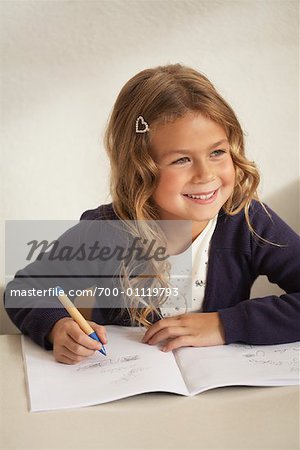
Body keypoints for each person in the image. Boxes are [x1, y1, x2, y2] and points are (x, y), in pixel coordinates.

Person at [4, 63, 300, 365]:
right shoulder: (104, 231)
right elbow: (23, 290)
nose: (205, 174)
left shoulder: (249, 221)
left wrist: (226, 324)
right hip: (129, 393)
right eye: (182, 159)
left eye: (217, 152)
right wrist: (57, 326)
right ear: (139, 170)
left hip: (219, 395)